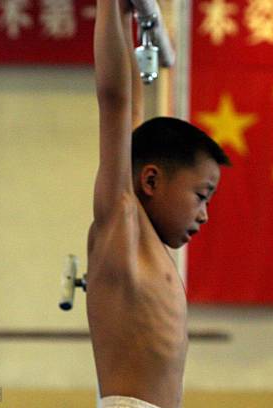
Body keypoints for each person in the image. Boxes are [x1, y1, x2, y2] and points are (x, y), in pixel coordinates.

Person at [86, 1, 230, 408]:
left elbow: (131, 107)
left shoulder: (144, 240)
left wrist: (129, 19)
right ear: (151, 179)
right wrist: (108, 8)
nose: (204, 214)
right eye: (201, 196)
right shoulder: (122, 223)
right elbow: (114, 103)